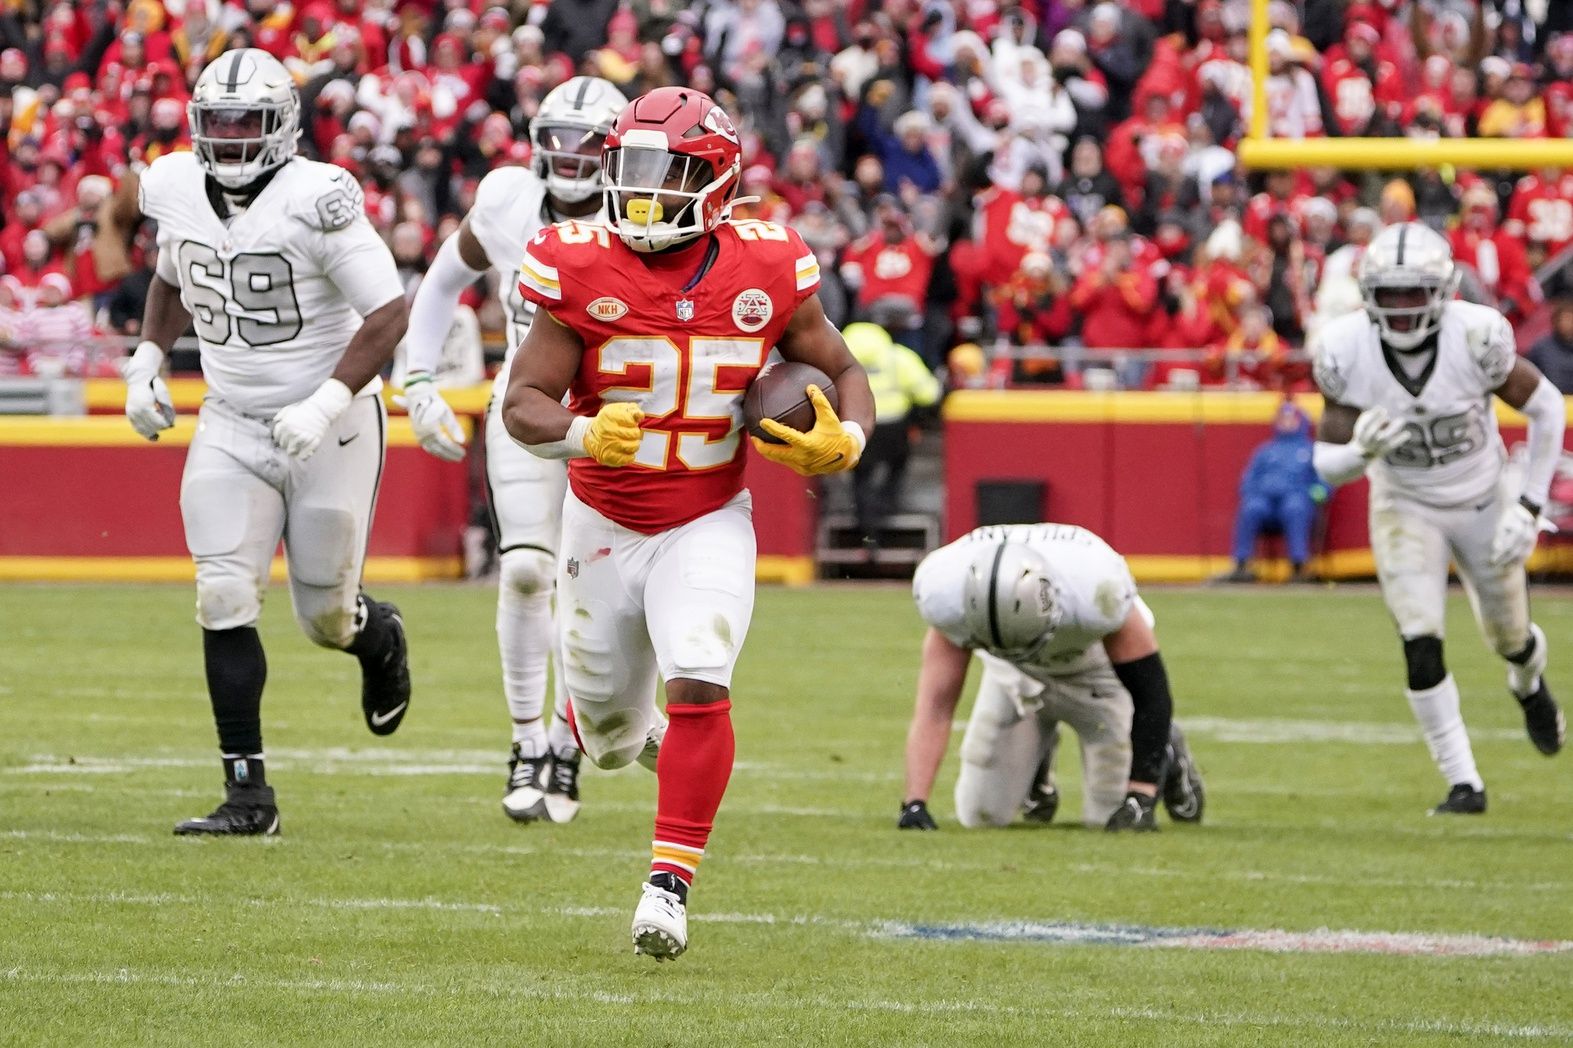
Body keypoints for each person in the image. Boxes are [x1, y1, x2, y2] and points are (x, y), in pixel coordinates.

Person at [502, 86, 874, 960]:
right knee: (605, 740)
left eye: (662, 174)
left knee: (700, 673)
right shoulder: (577, 261)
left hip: (706, 515)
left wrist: (848, 435)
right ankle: (625, 731)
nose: (639, 192)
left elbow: (842, 362)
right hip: (599, 519)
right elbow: (521, 402)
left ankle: (667, 887)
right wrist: (584, 430)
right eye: (628, 169)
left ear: (715, 181)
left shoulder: (770, 262)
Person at [113, 49, 412, 836]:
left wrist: (325, 401)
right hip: (231, 422)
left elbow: (387, 311)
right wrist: (148, 356)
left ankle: (376, 636)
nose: (233, 137)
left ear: (283, 126)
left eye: (248, 122)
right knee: (222, 594)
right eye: (219, 123)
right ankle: (249, 796)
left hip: (332, 424)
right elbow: (177, 271)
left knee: (324, 618)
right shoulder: (176, 184)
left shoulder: (320, 197)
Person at [402, 75, 627, 825]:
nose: (569, 157)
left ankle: (569, 741)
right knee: (528, 569)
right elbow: (441, 282)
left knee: (592, 591)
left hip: (616, 419)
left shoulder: (645, 208)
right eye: (557, 140)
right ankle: (527, 741)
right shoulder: (506, 201)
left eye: (586, 142)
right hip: (527, 407)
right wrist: (419, 378)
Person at [1311, 222, 1566, 815]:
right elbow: (1328, 465)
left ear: (1444, 290)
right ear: (1368, 293)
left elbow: (1548, 407)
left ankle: (1528, 681)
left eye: (1413, 292)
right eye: (1390, 293)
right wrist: (1360, 454)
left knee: (1509, 637)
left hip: (1483, 498)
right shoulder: (1343, 347)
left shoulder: (1476, 336)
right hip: (1404, 502)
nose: (1401, 308)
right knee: (1419, 640)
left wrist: (1528, 506)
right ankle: (1463, 783)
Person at [898, 524, 1206, 834]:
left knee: (1109, 818)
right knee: (980, 814)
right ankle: (1038, 763)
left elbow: (1150, 693)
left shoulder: (1096, 590)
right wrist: (914, 804)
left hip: (1097, 672)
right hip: (1013, 676)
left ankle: (1169, 748)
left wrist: (1141, 797)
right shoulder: (946, 595)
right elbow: (935, 707)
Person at [841, 319, 940, 549]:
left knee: (861, 477)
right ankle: (886, 510)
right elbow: (929, 393)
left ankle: (867, 526)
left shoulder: (839, 360)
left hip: (857, 428)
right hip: (895, 428)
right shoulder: (898, 357)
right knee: (896, 469)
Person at [1216, 402, 1323, 582]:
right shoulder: (1266, 450)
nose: (1286, 422)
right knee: (1252, 509)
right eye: (1283, 418)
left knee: (1295, 508)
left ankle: (1298, 566)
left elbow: (1322, 479)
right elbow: (1249, 479)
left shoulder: (1310, 450)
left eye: (1291, 419)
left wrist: (1318, 492)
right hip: (1265, 501)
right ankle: (1242, 565)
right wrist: (1250, 494)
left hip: (1295, 499)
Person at [1526, 298, 1573, 394]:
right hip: (1551, 401)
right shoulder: (1541, 348)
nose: (1567, 324)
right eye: (1564, 319)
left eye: (1570, 319)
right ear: (1555, 321)